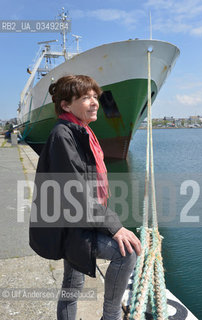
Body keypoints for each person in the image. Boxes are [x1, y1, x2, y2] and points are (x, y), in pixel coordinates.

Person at [29, 75, 142, 320]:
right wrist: (115, 227)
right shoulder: (63, 136)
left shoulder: (79, 132)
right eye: (85, 97)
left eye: (95, 96)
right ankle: (110, 317)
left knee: (72, 284)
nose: (95, 103)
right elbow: (75, 193)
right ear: (66, 106)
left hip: (75, 221)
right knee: (127, 253)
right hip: (70, 226)